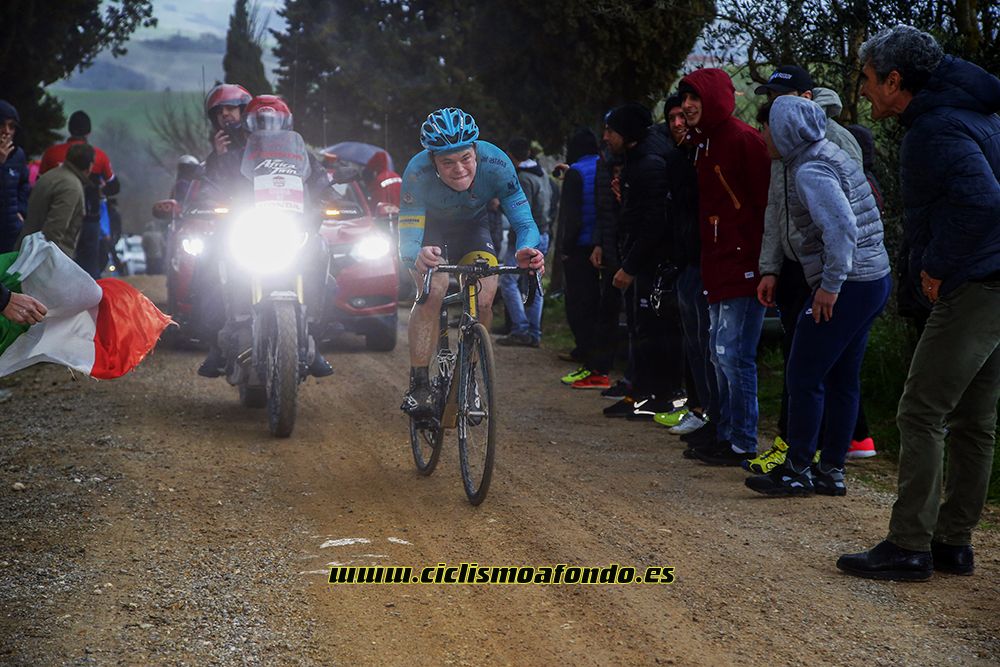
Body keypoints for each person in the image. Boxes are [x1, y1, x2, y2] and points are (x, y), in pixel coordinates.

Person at [837, 25, 1000, 582]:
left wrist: (936, 264)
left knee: (920, 411)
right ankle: (953, 544)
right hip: (995, 281)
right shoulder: (975, 113)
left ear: (895, 80)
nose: (863, 90)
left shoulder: (932, 128)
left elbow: (982, 200)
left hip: (976, 285)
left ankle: (909, 545)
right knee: (976, 418)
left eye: (867, 79)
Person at [745, 95, 891, 496]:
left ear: (786, 130)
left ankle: (796, 470)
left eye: (769, 125)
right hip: (874, 278)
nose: (764, 134)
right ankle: (830, 470)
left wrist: (830, 286)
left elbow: (842, 229)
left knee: (803, 374)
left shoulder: (811, 170)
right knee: (843, 376)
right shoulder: (826, 153)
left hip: (849, 283)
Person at [399, 108, 544, 417]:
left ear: (476, 150)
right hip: (430, 227)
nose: (459, 169)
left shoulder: (497, 163)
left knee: (485, 296)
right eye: (447, 162)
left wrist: (528, 249)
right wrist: (416, 256)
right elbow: (408, 238)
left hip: (473, 226)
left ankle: (469, 378)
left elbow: (524, 223)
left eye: (465, 158)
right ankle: (419, 384)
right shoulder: (416, 172)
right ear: (433, 160)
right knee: (433, 289)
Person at [197, 94, 334, 379]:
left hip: (294, 231)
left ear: (287, 125)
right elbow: (212, 183)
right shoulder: (234, 157)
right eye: (260, 121)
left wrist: (333, 200)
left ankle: (312, 339)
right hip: (249, 229)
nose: (267, 127)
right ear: (248, 126)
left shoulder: (302, 157)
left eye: (273, 121)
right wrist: (208, 199)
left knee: (325, 265)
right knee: (211, 272)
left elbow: (322, 184)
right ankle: (219, 346)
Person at [677, 69, 771, 465]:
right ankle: (724, 430)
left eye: (695, 97)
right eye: (684, 99)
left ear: (714, 97)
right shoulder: (704, 143)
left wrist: (768, 265)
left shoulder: (743, 140)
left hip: (744, 266)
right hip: (717, 265)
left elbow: (766, 206)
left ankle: (743, 442)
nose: (686, 106)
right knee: (717, 352)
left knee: (734, 355)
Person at [600, 104, 684, 420]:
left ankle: (662, 396)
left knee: (656, 331)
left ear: (628, 133)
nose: (606, 137)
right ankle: (643, 393)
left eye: (611, 131)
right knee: (642, 329)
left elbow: (654, 221)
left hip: (653, 264)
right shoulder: (635, 160)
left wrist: (630, 266)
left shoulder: (649, 163)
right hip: (642, 260)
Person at [656, 93, 717, 440]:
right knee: (694, 342)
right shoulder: (676, 159)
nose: (677, 123)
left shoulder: (705, 155)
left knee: (711, 344)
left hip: (707, 261)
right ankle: (700, 409)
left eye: (682, 116)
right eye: (671, 118)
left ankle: (713, 414)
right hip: (685, 263)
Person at [554, 128, 610, 387]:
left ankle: (588, 356)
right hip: (604, 244)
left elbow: (572, 217)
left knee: (580, 304)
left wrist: (565, 247)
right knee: (601, 305)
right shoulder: (605, 165)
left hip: (580, 247)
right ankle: (596, 354)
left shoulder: (575, 173)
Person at [39, 111, 119, 278]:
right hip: (89, 219)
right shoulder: (99, 156)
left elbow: (41, 184)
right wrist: (99, 190)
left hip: (57, 217)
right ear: (88, 132)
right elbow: (114, 187)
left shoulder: (51, 154)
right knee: (89, 269)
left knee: (57, 265)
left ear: (69, 129)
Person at [497, 136, 550, 348]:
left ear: (510, 154)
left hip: (525, 239)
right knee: (534, 284)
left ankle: (521, 329)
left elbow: (520, 212)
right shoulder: (541, 172)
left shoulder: (523, 178)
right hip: (543, 234)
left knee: (508, 281)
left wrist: (498, 205)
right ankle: (534, 333)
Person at [18, 143, 94, 258]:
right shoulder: (71, 187)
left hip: (27, 251)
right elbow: (54, 231)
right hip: (44, 261)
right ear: (90, 166)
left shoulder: (50, 175)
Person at [0, 101, 30, 253]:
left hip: (11, 228)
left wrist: (21, 210)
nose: (6, 131)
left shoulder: (18, 155)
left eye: (11, 126)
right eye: (2, 125)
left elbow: (24, 184)